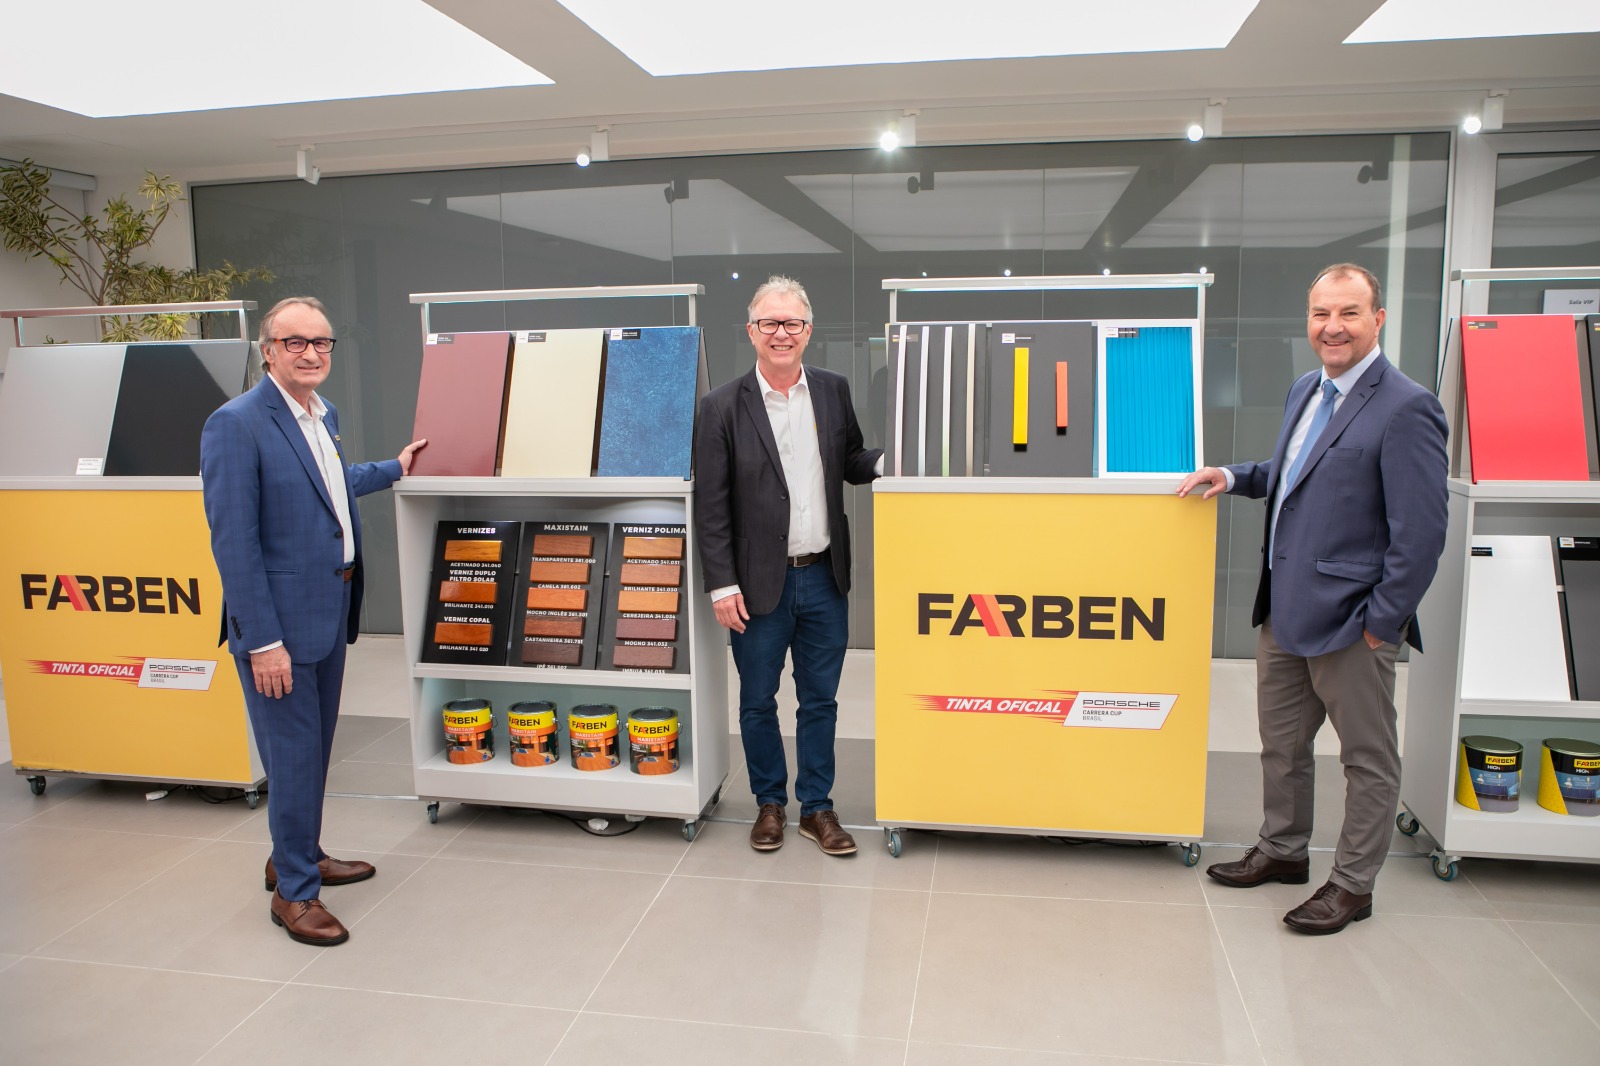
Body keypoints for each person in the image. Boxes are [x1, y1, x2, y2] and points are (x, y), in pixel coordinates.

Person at [1177, 263, 1448, 935]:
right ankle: (1283, 850)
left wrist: (1382, 624)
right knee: (1282, 746)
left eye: (1349, 313)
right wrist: (1235, 475)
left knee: (1367, 760)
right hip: (1285, 609)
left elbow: (1421, 533)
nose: (1333, 327)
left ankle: (1353, 885)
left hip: (1352, 622)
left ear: (1377, 319)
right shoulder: (1308, 388)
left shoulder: (1406, 406)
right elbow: (1297, 472)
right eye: (1321, 313)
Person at [201, 296, 425, 946]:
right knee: (295, 756)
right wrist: (263, 641)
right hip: (280, 631)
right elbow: (234, 543)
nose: (311, 353)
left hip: (328, 615)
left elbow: (329, 485)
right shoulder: (236, 424)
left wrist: (394, 469)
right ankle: (295, 894)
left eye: (321, 342)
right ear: (267, 350)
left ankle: (295, 854)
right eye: (295, 342)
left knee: (312, 753)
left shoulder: (321, 415)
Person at [695, 275, 883, 855]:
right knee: (757, 701)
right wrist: (721, 584)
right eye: (770, 323)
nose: (782, 332)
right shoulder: (721, 406)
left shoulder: (832, 389)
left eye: (792, 322)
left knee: (820, 700)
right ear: (752, 331)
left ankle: (817, 808)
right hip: (756, 585)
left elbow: (851, 459)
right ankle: (770, 804)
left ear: (808, 330)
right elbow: (711, 506)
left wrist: (890, 459)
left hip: (825, 576)